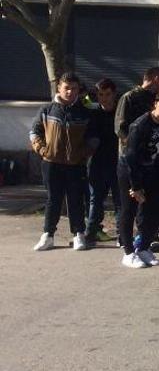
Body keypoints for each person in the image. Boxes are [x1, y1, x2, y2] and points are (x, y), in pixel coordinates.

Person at [30, 72, 99, 252]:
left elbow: (93, 138)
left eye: (74, 88)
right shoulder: (47, 110)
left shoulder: (85, 113)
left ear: (78, 90)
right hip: (51, 163)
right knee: (53, 199)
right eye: (66, 88)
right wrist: (43, 150)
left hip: (76, 164)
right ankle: (48, 235)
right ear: (59, 88)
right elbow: (35, 132)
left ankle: (78, 235)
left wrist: (83, 154)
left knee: (76, 200)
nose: (70, 91)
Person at [117, 90, 159, 268]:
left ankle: (143, 247)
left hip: (152, 170)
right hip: (130, 171)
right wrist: (135, 186)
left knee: (154, 209)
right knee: (129, 210)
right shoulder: (140, 125)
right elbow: (130, 156)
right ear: (154, 104)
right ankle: (128, 252)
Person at [84, 78, 121, 246]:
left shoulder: (120, 114)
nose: (104, 98)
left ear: (114, 94)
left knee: (119, 201)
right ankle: (90, 232)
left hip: (118, 163)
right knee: (95, 199)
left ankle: (122, 235)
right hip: (97, 163)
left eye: (107, 94)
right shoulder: (93, 115)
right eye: (100, 94)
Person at [115, 66, 159, 153]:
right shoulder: (130, 97)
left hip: (149, 153)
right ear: (156, 79)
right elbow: (120, 128)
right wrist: (133, 145)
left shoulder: (155, 99)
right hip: (131, 154)